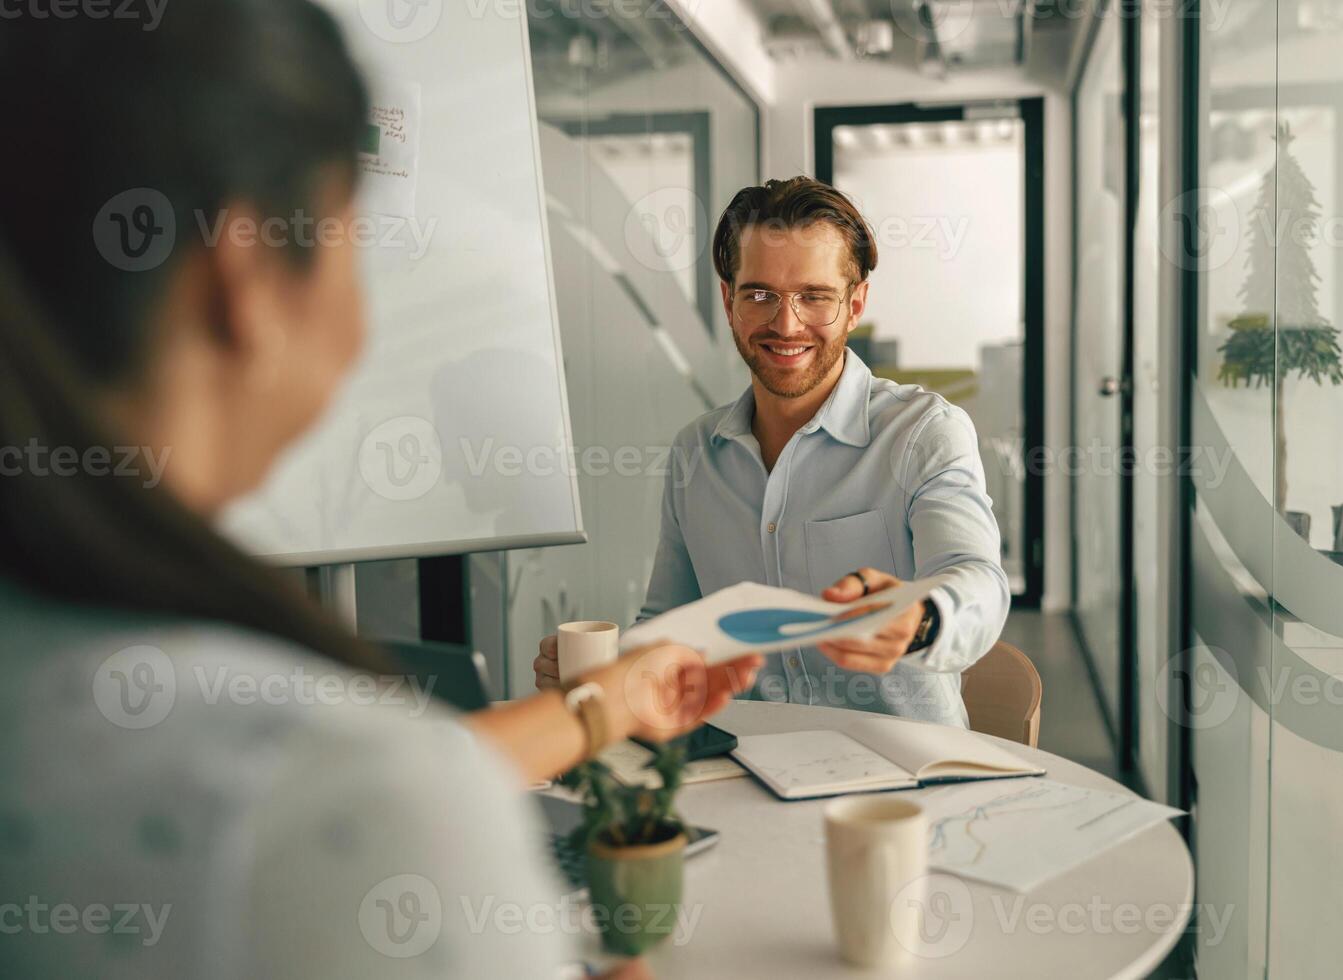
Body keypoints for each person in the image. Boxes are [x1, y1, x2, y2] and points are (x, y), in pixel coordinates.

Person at [0, 4, 759, 978]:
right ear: (248, 279)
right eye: (352, 243)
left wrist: (608, 702)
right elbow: (358, 802)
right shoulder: (354, 797)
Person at [537, 177, 1008, 728]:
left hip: (902, 777)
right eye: (760, 294)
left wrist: (921, 616)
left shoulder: (924, 433)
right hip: (742, 771)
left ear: (854, 305)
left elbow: (975, 577)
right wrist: (604, 673)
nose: (786, 324)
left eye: (814, 296)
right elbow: (671, 625)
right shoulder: (696, 452)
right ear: (728, 301)